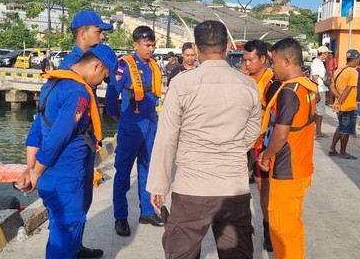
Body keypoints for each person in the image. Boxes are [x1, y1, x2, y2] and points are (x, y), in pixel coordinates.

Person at [147, 20, 261, 259]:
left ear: (196, 49)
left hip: (191, 187)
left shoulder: (181, 83)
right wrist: (230, 149)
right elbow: (253, 130)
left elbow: (167, 137)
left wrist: (159, 186)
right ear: (228, 47)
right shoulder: (248, 84)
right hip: (233, 187)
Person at [17, 10, 112, 259]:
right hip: (66, 165)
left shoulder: (57, 80)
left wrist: (30, 168)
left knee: (71, 221)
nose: (101, 83)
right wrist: (35, 172)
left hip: (74, 161)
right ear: (96, 65)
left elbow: (39, 124)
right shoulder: (74, 83)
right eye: (98, 32)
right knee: (66, 224)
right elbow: (58, 134)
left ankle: (74, 248)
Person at [258, 37, 317, 259]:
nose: (272, 68)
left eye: (273, 63)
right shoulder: (308, 87)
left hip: (287, 170)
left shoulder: (289, 92)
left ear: (286, 61)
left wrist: (265, 154)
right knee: (292, 228)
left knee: (282, 231)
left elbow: (281, 135)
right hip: (301, 167)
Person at [105, 25, 164, 237]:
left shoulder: (152, 65)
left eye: (153, 45)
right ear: (135, 44)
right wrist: (115, 115)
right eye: (147, 45)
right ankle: (120, 217)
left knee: (147, 170)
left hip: (150, 125)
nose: (151, 49)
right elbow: (112, 93)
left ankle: (147, 212)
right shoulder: (124, 66)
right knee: (122, 173)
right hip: (131, 126)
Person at [242, 39, 274, 251]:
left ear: (263, 59)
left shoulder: (272, 84)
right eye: (244, 60)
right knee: (238, 186)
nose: (246, 65)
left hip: (262, 143)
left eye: (250, 60)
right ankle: (242, 225)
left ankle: (268, 228)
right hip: (243, 141)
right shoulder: (242, 79)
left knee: (264, 189)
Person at [328, 49, 360, 159]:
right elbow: (348, 88)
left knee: (341, 127)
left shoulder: (338, 70)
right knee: (346, 130)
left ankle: (332, 148)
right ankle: (343, 151)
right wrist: (341, 100)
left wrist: (338, 98)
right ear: (356, 60)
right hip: (348, 106)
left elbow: (331, 86)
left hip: (339, 104)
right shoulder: (353, 72)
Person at [310, 45, 331, 137]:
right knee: (319, 111)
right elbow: (315, 77)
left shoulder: (319, 62)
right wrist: (317, 92)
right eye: (327, 53)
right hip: (319, 90)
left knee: (320, 111)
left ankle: (318, 130)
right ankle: (317, 131)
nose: (327, 55)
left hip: (321, 89)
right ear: (323, 53)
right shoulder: (317, 63)